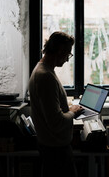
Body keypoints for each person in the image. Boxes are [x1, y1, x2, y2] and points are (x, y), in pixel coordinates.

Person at [29, 31, 82, 177]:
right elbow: (56, 122)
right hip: (56, 151)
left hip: (52, 147)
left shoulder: (44, 70)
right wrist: (73, 112)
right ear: (60, 51)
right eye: (68, 55)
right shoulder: (45, 76)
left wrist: (67, 107)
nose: (67, 60)